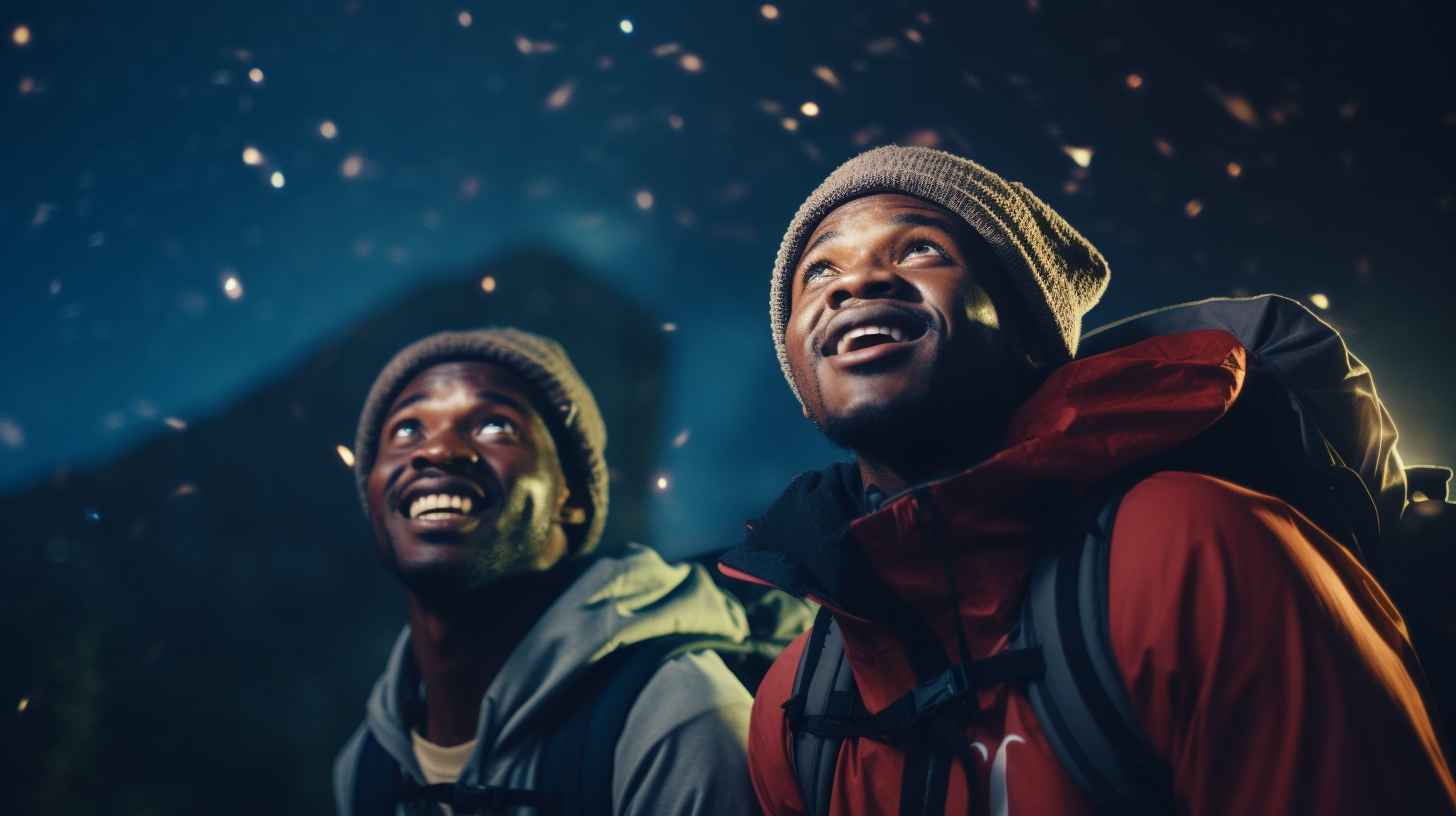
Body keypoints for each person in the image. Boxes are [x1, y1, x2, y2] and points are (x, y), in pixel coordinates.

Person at [719, 145, 1456, 815]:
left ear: (1029, 334)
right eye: (820, 270)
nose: (859, 281)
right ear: (800, 375)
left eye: (919, 249)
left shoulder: (1199, 551)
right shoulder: (795, 704)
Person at [334, 328, 760, 816]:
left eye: (496, 425)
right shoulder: (364, 768)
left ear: (573, 495)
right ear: (370, 492)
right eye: (408, 430)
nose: (436, 451)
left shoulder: (676, 720)